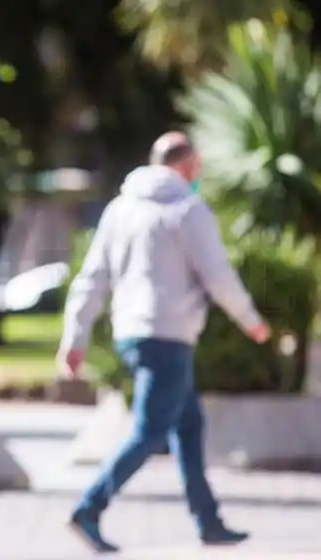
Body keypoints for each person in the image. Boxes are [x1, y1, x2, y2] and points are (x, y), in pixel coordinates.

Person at [57, 131, 271, 553]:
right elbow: (219, 276)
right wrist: (252, 321)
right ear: (185, 165)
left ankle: (208, 521)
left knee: (189, 425)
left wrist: (74, 337)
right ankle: (89, 507)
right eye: (198, 167)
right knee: (150, 430)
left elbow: (92, 278)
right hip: (168, 335)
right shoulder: (188, 210)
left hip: (133, 334)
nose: (199, 174)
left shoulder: (120, 209)